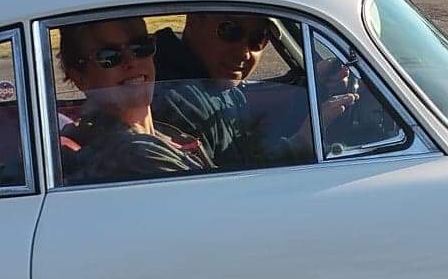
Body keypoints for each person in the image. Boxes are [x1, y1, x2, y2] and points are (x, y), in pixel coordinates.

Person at [151, 12, 358, 169]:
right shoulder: (176, 100)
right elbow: (230, 185)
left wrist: (312, 86)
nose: (244, 53)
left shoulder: (209, 83)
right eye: (230, 31)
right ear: (195, 21)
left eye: (257, 39)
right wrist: (300, 144)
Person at [58, 16, 214, 184]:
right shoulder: (134, 155)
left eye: (141, 47)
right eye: (109, 56)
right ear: (80, 78)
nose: (131, 61)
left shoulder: (159, 133)